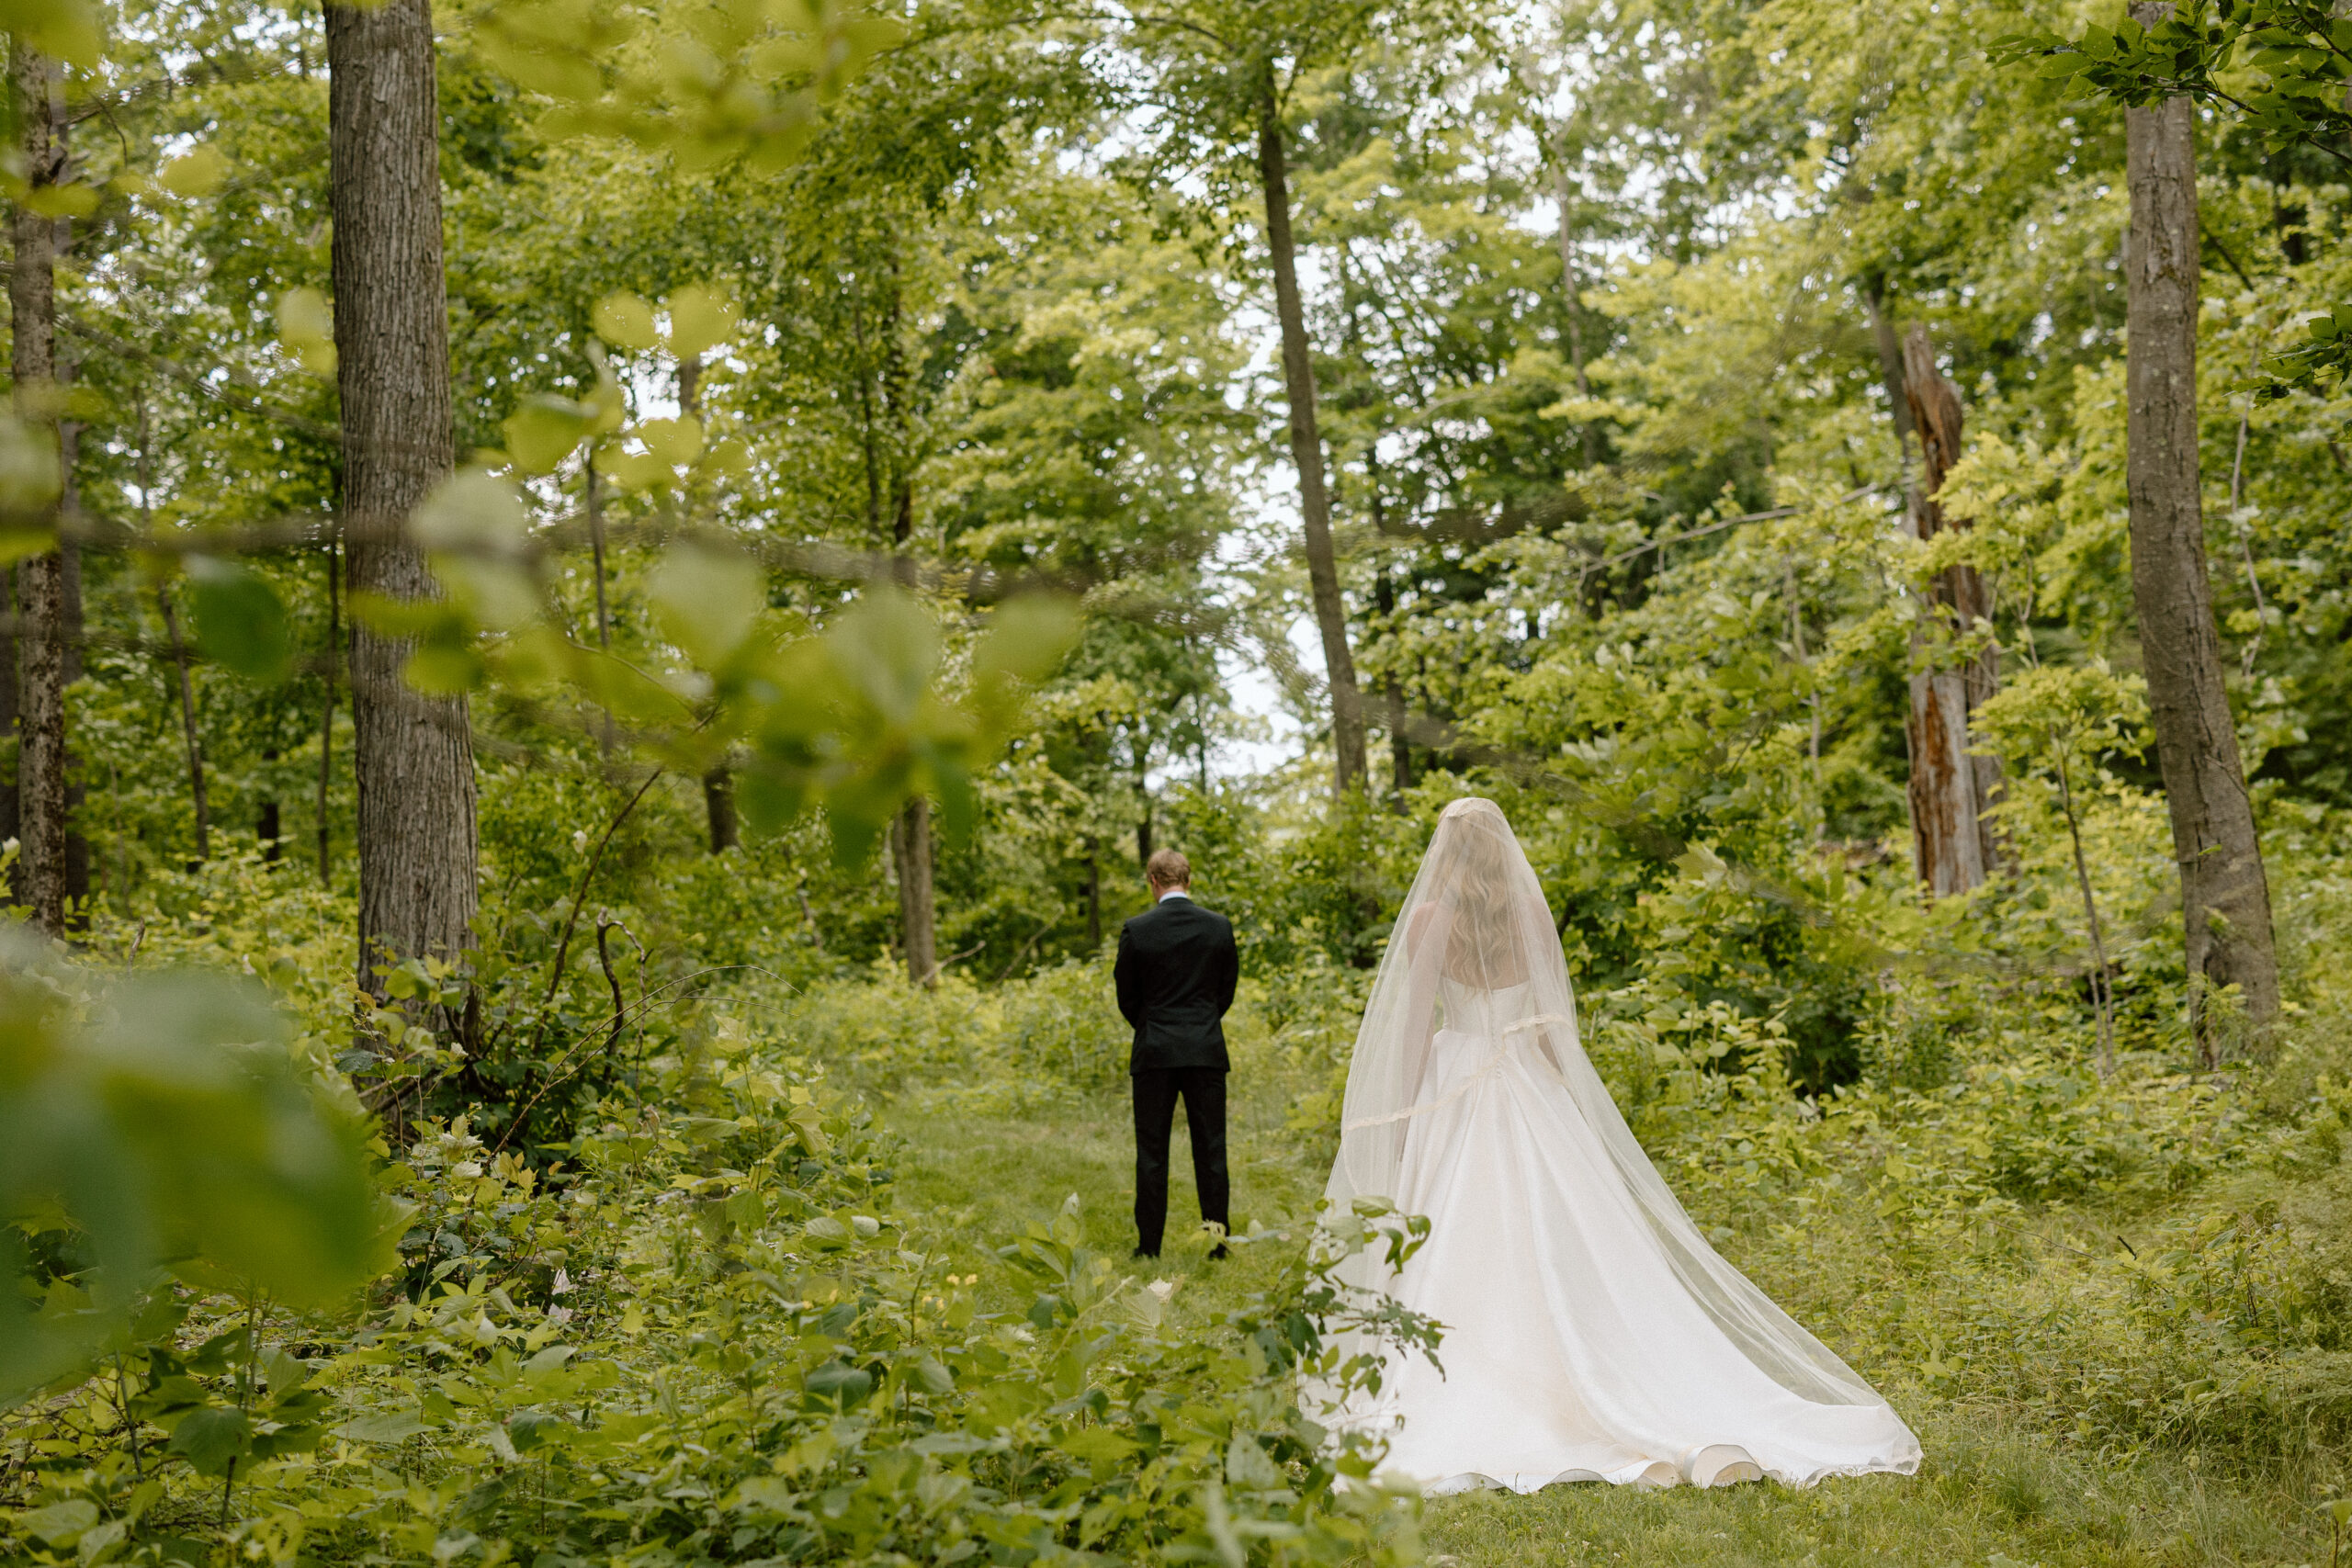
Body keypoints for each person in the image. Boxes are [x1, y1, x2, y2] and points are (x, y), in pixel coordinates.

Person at [1320, 798, 1920, 1492]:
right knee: (1561, 1230)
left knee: (1459, 1230)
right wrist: (1570, 1114)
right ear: (1501, 848)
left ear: (1446, 853)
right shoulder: (1530, 914)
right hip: (1526, 1083)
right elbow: (1553, 1027)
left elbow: (1409, 1029)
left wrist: (1397, 1118)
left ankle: (1473, 1376)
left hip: (1453, 1082)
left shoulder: (1430, 920)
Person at [1114, 847, 1239, 1259]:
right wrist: (1201, 1023)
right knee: (1211, 1149)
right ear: (1188, 879)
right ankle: (1217, 1245)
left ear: (1153, 881)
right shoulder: (1218, 927)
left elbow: (1127, 996)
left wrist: (1152, 1026)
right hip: (1205, 1049)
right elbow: (1225, 991)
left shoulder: (1137, 929)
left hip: (1154, 1051)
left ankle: (1149, 1247)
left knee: (1151, 1152)